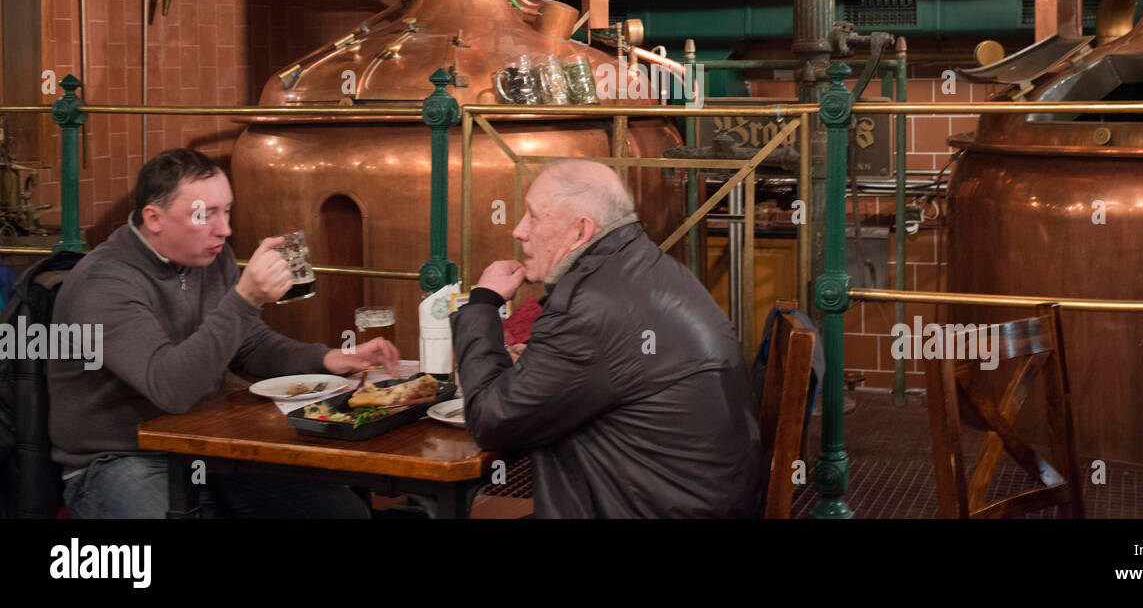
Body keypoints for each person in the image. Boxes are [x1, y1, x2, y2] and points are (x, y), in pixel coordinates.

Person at [48, 148, 401, 518]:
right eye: (205, 214)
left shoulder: (210, 257)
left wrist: (328, 358)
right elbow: (170, 388)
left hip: (206, 445)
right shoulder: (104, 282)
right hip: (120, 457)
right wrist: (245, 298)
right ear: (154, 218)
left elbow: (249, 344)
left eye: (226, 211)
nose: (224, 229)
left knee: (339, 513)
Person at [451, 159, 764, 518]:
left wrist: (483, 303)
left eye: (534, 217)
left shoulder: (592, 305)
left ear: (581, 231)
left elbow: (491, 422)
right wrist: (541, 368)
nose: (519, 231)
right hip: (695, 501)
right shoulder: (644, 265)